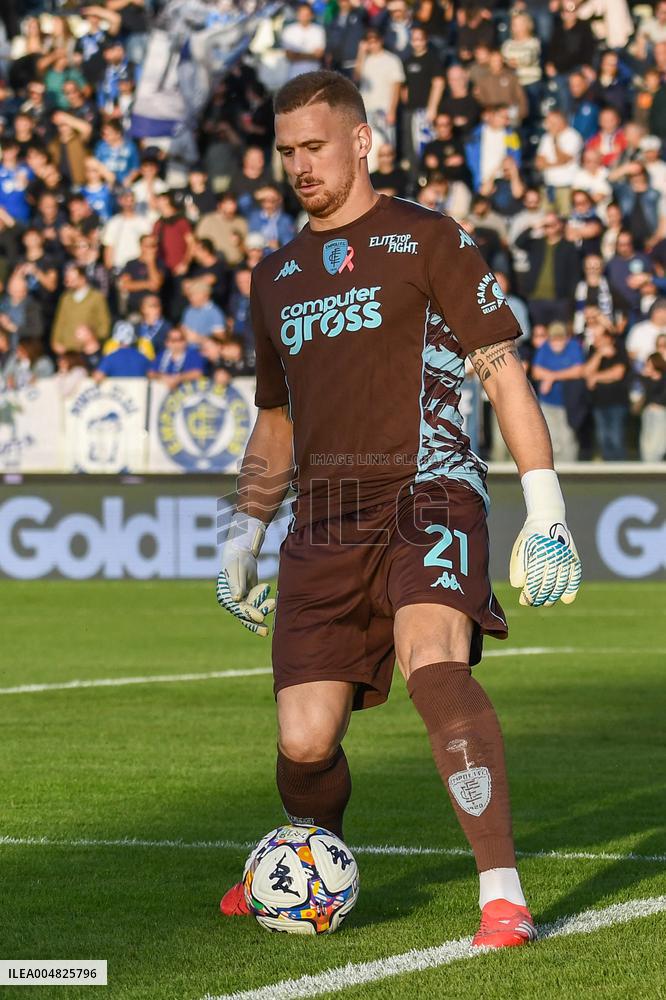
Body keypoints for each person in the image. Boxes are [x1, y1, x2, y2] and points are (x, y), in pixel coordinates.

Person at [216, 69, 581, 947]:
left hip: (431, 491)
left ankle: (503, 895)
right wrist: (243, 532)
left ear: (362, 142)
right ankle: (311, 866)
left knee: (434, 663)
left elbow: (502, 371)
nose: (300, 165)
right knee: (305, 743)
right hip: (324, 519)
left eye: (315, 147)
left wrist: (547, 507)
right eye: (287, 151)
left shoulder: (428, 239)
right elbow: (275, 422)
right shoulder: (275, 277)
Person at [531, 321, 586, 462]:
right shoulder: (544, 348)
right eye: (553, 339)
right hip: (548, 402)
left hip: (568, 404)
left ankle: (570, 470)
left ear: (566, 338)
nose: (556, 343)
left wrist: (551, 377)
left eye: (560, 339)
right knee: (552, 439)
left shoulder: (573, 346)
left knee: (567, 438)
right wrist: (553, 376)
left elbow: (578, 371)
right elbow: (536, 372)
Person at [584, 324, 629, 460]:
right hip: (598, 402)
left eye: (599, 337)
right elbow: (586, 372)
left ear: (608, 338)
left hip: (617, 402)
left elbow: (618, 373)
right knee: (603, 438)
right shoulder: (593, 351)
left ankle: (620, 471)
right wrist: (599, 355)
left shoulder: (620, 349)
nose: (596, 340)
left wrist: (596, 377)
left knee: (616, 437)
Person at [638, 351, 666, 460]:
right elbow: (645, 395)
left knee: (658, 443)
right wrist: (644, 377)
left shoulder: (664, 378)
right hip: (648, 413)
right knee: (646, 442)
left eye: (649, 364)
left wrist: (656, 404)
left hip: (660, 413)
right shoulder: (646, 380)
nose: (647, 367)